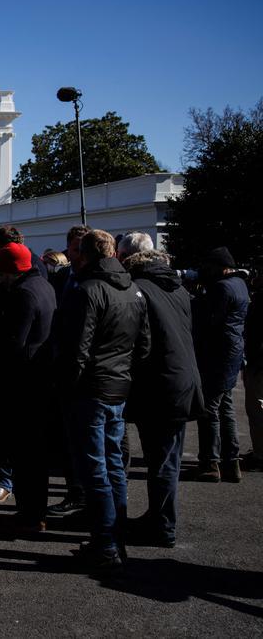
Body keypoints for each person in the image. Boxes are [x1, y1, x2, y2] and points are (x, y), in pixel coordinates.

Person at [59, 229, 150, 574]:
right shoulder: (134, 290)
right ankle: (113, 539)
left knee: (96, 469)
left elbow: (76, 353)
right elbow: (143, 347)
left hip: (92, 390)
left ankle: (106, 543)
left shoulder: (88, 291)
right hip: (118, 386)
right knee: (113, 467)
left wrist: (68, 388)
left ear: (86, 253)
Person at [118, 233, 203, 547]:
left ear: (127, 257)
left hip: (161, 382)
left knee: (162, 460)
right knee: (167, 458)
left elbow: (142, 344)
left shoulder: (139, 288)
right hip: (180, 378)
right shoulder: (176, 286)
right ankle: (159, 517)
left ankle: (163, 525)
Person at [0, 242, 57, 532]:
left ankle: (30, 514)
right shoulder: (44, 286)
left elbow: (13, 344)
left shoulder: (23, 294)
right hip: (42, 379)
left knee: (25, 455)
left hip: (24, 383)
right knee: (38, 455)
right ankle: (36, 511)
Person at [193, 247, 250, 482]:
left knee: (209, 409)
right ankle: (231, 462)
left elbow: (210, 320)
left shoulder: (221, 288)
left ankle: (210, 462)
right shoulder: (240, 284)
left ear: (218, 266)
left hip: (217, 352)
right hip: (232, 351)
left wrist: (198, 302)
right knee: (225, 408)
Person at [47, 224, 92, 518]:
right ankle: (76, 491)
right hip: (65, 367)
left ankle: (88, 497)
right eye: (74, 248)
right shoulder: (64, 277)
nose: (77, 254)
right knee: (69, 441)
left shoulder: (95, 282)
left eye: (81, 249)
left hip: (91, 373)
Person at [243, 263, 263, 470]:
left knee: (257, 408)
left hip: (259, 363)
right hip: (257, 360)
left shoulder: (259, 300)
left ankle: (260, 454)